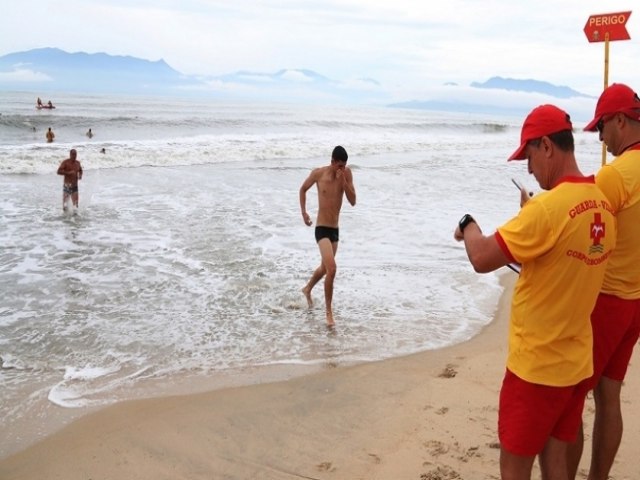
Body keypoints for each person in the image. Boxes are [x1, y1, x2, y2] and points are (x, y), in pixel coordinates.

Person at [454, 104, 616, 479]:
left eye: (528, 155)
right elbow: (566, 262)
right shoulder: (602, 205)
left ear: (546, 146)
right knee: (557, 461)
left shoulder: (545, 211)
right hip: (575, 363)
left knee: (515, 466)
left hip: (536, 367)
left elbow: (481, 257)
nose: (527, 167)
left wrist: (467, 222)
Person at [566, 83, 640, 480]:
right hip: (635, 304)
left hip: (607, 301)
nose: (600, 136)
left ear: (621, 121)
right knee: (609, 395)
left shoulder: (618, 175)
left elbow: (579, 223)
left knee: (572, 401)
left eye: (602, 127)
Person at [299, 145, 356, 327]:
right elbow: (302, 189)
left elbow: (353, 201)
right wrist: (304, 212)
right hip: (322, 228)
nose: (341, 169)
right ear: (332, 162)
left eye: (344, 166)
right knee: (332, 269)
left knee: (324, 268)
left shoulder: (346, 174)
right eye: (339, 166)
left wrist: (344, 182)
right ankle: (329, 314)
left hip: (335, 230)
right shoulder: (319, 174)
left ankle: (307, 289)